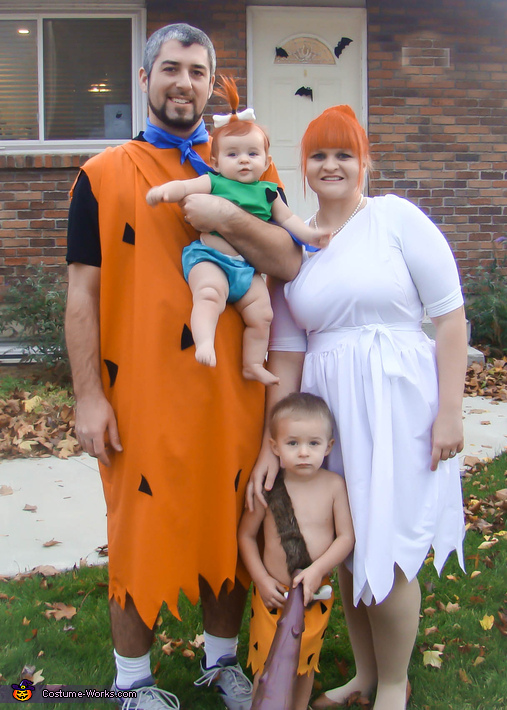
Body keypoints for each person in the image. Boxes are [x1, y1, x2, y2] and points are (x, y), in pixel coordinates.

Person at [65, 23, 301, 710]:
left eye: (198, 71)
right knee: (138, 532)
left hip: (234, 389)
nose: (184, 83)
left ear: (212, 82)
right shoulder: (102, 175)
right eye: (170, 68)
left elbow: (288, 261)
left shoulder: (249, 161)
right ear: (144, 80)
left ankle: (221, 662)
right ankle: (131, 681)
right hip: (139, 392)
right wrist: (88, 396)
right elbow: (82, 291)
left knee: (231, 524)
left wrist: (227, 213)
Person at [247, 105, 468, 710]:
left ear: (364, 162)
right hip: (329, 415)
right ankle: (365, 677)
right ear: (304, 167)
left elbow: (450, 319)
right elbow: (287, 356)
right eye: (319, 154)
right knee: (342, 545)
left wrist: (451, 412)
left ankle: (394, 686)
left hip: (397, 407)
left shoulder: (396, 219)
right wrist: (275, 440)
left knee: (386, 547)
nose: (331, 165)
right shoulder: (296, 247)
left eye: (344, 153)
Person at [146, 77, 329, 386]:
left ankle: (252, 363)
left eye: (252, 154)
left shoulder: (269, 192)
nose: (243, 160)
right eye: (233, 155)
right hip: (210, 258)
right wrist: (164, 192)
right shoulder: (215, 182)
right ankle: (204, 341)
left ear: (267, 161)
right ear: (215, 162)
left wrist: (311, 236)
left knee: (263, 315)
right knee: (208, 295)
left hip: (246, 270)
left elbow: (291, 222)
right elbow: (185, 187)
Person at [238, 392, 354, 710]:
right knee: (267, 664)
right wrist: (260, 579)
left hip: (313, 596)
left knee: (305, 659)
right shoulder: (268, 488)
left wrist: (317, 571)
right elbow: (246, 537)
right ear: (275, 446)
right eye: (292, 444)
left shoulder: (334, 487)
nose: (303, 453)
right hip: (271, 596)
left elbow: (346, 538)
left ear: (328, 446)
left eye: (313, 444)